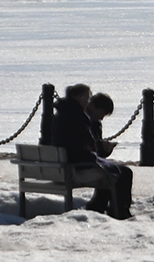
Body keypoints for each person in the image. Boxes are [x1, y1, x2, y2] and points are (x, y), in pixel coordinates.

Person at [47, 82, 132, 219]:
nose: (88, 101)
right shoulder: (77, 117)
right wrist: (98, 149)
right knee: (121, 173)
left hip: (65, 166)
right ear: (79, 97)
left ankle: (99, 207)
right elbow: (85, 145)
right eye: (87, 97)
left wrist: (99, 150)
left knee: (111, 169)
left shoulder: (64, 114)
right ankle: (118, 211)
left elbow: (86, 146)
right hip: (74, 168)